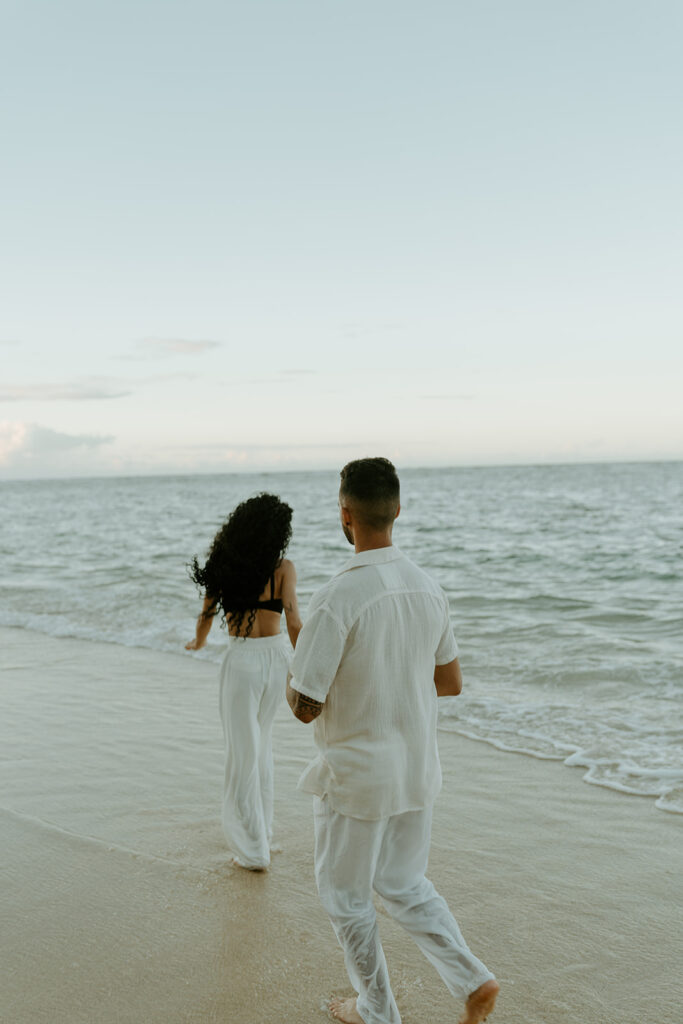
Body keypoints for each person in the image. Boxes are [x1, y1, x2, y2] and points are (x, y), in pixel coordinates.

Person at [286, 458, 499, 1024]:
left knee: (344, 897)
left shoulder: (339, 595)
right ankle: (473, 980)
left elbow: (305, 707)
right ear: (397, 510)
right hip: (416, 768)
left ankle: (376, 1009)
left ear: (345, 515)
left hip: (358, 777)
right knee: (403, 882)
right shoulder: (429, 589)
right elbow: (449, 682)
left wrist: (299, 648)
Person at [186, 493, 302, 871]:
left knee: (243, 752)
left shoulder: (224, 565)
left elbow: (206, 614)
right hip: (277, 659)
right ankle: (262, 834)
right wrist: (306, 668)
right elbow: (294, 623)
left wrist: (199, 642)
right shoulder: (283, 568)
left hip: (242, 662)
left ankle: (253, 851)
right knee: (261, 746)